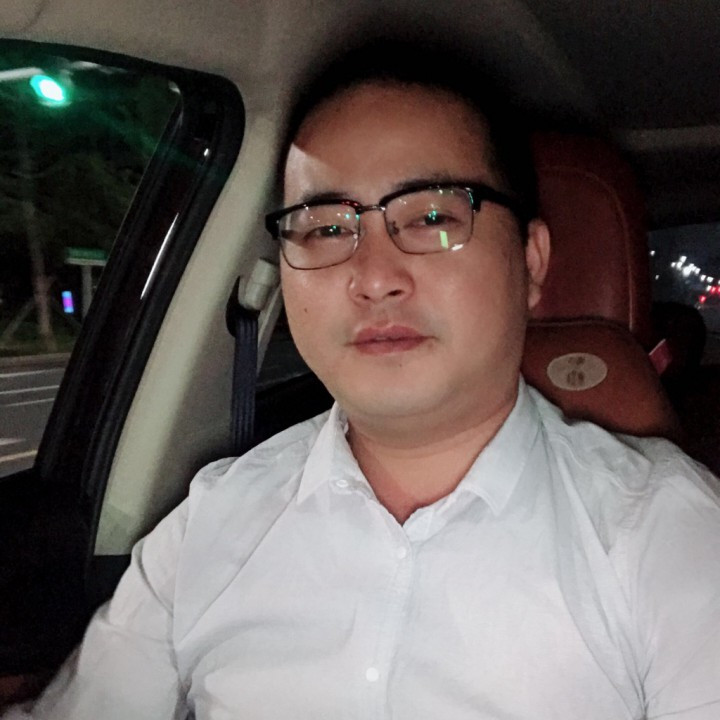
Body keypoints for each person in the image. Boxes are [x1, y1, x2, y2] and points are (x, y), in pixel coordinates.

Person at [4, 45, 720, 720]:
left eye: (433, 216)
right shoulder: (211, 528)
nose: (374, 277)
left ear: (530, 262)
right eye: (324, 228)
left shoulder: (664, 532)